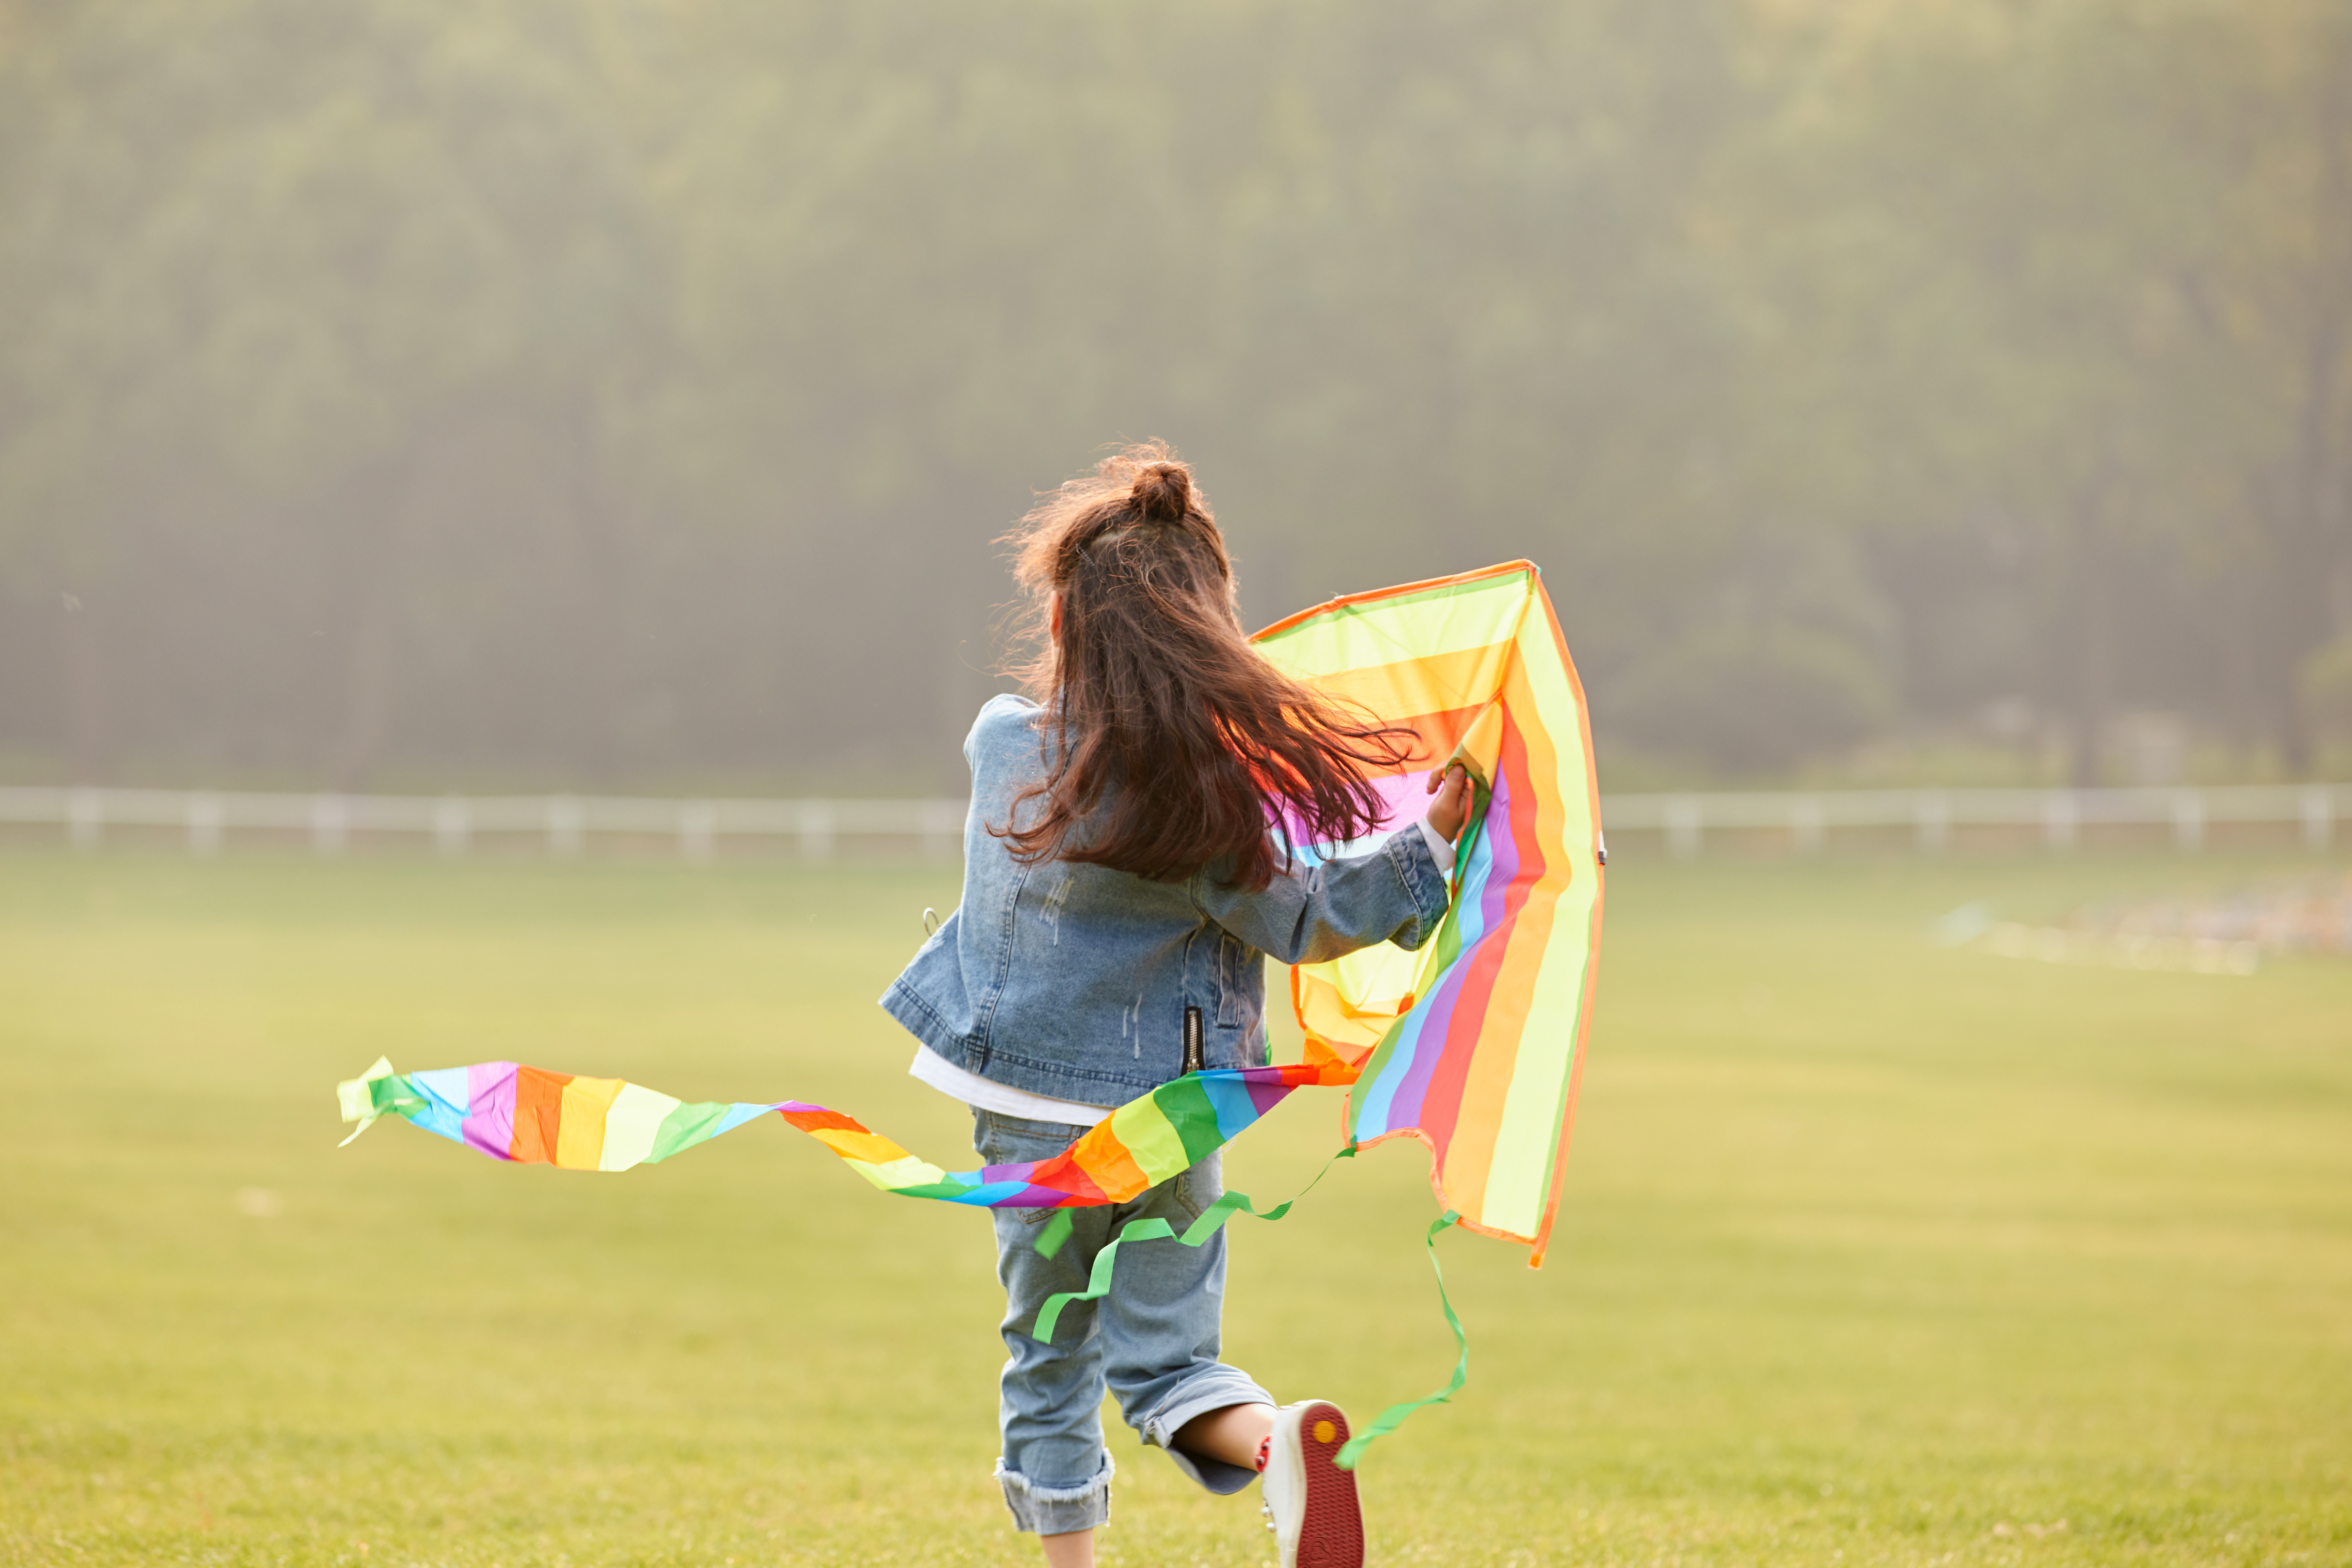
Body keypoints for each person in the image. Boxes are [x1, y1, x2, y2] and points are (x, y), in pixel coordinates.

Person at [882, 442, 1472, 1568]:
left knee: (1050, 1354)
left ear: (1064, 627)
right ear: (1206, 633)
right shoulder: (1203, 794)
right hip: (1168, 1116)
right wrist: (1428, 843)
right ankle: (1275, 1443)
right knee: (1167, 1363)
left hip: (1026, 1116)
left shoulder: (1003, 747)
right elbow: (1305, 922)